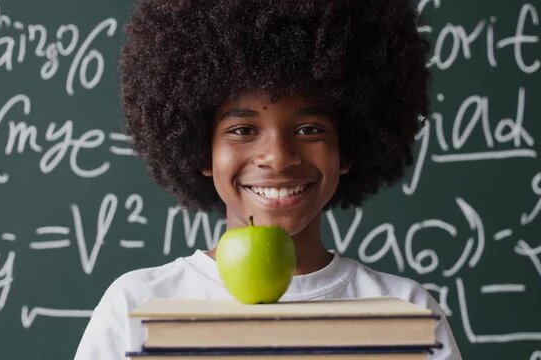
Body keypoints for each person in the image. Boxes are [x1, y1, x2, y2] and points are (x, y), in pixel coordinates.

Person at [74, 0, 462, 359]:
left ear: (348, 148)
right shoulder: (137, 308)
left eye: (310, 129)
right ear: (202, 152)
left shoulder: (405, 316)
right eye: (243, 130)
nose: (277, 158)